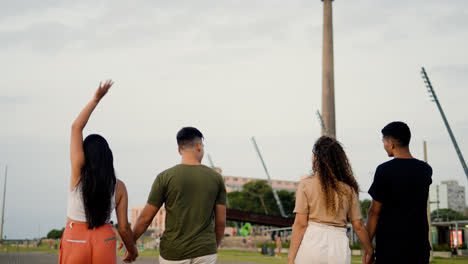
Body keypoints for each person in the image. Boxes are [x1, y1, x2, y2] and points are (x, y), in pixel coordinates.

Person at [59, 81, 138, 264]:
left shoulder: (78, 174)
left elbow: (76, 127)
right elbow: (124, 227)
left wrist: (96, 99)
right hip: (105, 238)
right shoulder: (119, 187)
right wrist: (132, 250)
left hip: (75, 238)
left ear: (84, 155)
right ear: (108, 157)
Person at [129, 127, 226, 264]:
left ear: (179, 150)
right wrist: (212, 246)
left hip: (173, 252)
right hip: (205, 251)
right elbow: (221, 222)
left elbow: (145, 218)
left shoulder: (165, 177)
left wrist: (130, 242)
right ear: (199, 146)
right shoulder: (216, 178)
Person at [288, 136, 374, 264]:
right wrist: (370, 251)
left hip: (312, 242)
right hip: (339, 245)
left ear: (317, 158)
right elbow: (359, 226)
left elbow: (300, 224)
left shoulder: (306, 185)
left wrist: (290, 258)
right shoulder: (348, 189)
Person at [367, 122, 432, 264]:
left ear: (391, 143)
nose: (384, 146)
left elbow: (374, 212)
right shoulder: (425, 169)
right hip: (419, 247)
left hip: (391, 248)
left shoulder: (384, 170)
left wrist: (368, 247)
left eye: (384, 142)